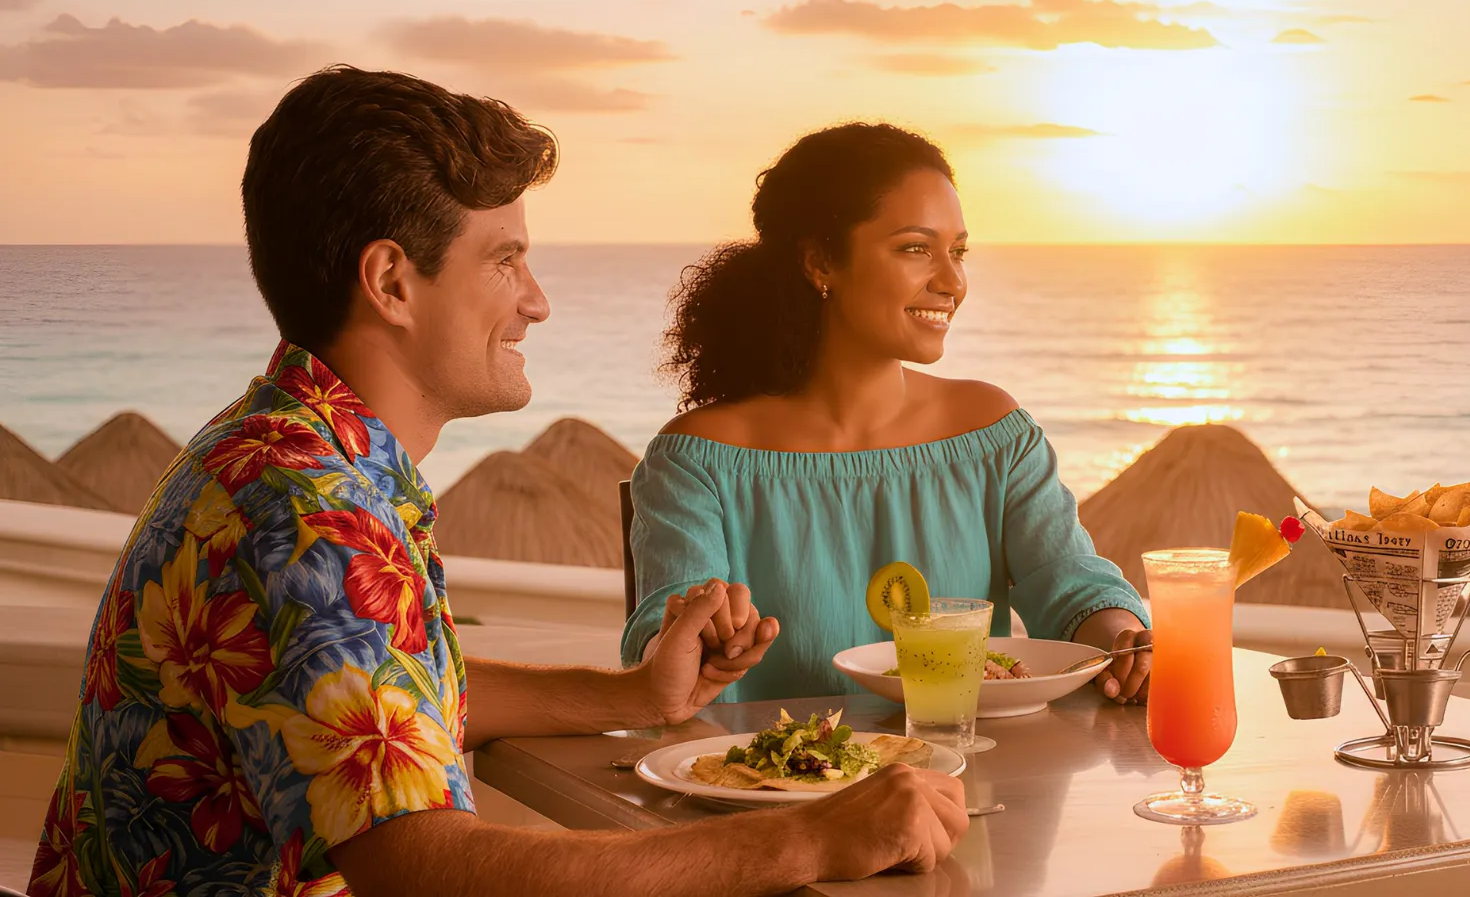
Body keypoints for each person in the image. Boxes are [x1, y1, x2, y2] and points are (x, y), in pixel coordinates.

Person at [28, 69, 966, 897]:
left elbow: (384, 690)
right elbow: (423, 866)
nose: (537, 300)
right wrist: (803, 839)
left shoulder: (288, 446)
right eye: (505, 259)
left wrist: (634, 697)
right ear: (392, 283)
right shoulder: (313, 511)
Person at [622, 122, 1153, 704]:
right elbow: (666, 626)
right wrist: (695, 639)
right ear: (821, 261)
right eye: (915, 248)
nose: (952, 281)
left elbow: (1069, 583)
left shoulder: (993, 433)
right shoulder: (698, 461)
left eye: (958, 252)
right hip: (770, 785)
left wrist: (1124, 641)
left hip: (972, 781)